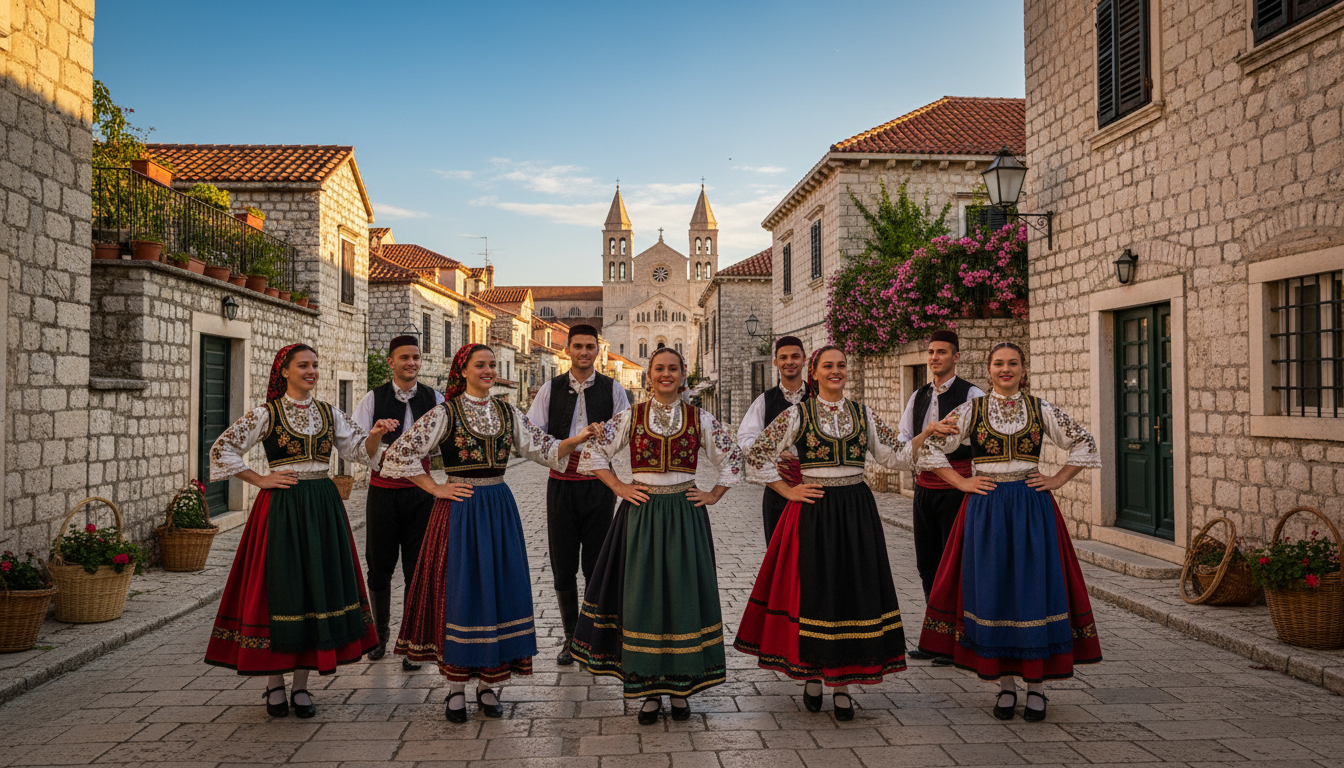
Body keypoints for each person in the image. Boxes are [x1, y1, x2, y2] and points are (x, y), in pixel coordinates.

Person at [734, 345, 953, 721]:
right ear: (814, 373)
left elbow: (895, 455)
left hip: (855, 511)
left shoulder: (861, 413)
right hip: (813, 511)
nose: (836, 372)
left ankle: (842, 686)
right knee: (817, 595)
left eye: (841, 366)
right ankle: (813, 675)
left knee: (850, 593)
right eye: (828, 366)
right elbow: (754, 455)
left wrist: (926, 434)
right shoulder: (797, 414)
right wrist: (788, 491)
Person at [382, 343, 596, 723]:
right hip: (460, 510)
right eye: (480, 365)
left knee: (497, 589)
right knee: (461, 590)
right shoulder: (444, 413)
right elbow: (400, 453)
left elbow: (541, 447)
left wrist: (575, 441)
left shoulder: (505, 411)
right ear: (462, 370)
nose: (488, 371)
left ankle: (488, 686)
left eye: (492, 365)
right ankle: (455, 689)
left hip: (498, 506)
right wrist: (435, 488)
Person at [205, 344, 399, 719]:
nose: (311, 371)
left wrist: (375, 432)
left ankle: (302, 688)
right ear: (285, 372)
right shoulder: (267, 413)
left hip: (323, 507)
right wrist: (260, 479)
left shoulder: (329, 412)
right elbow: (222, 449)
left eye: (314, 366)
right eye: (303, 366)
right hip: (282, 507)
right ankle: (274, 685)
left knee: (316, 590)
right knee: (283, 589)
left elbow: (361, 452)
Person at [916, 341, 1102, 723]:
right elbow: (930, 449)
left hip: (1032, 508)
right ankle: (1005, 685)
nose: (1005, 369)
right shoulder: (972, 408)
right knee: (994, 590)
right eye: (999, 364)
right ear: (989, 370)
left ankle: (1037, 686)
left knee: (1034, 589)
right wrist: (963, 483)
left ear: (1023, 369)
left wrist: (1056, 479)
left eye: (1012, 363)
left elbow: (1084, 442)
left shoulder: (1040, 409)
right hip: (985, 508)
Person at [571, 347, 743, 725]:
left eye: (673, 369)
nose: (666, 375)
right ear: (649, 374)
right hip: (642, 515)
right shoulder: (632, 415)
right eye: (659, 369)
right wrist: (620, 488)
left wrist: (713, 493)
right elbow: (594, 453)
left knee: (682, 596)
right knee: (643, 596)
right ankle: (648, 689)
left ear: (684, 374)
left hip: (684, 514)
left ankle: (681, 688)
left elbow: (733, 457)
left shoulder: (700, 418)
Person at [526, 324, 629, 666]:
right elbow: (531, 436)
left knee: (596, 563)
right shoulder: (550, 389)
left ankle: (592, 636)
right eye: (578, 346)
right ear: (567, 350)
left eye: (590, 347)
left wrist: (604, 437)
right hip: (561, 484)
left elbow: (624, 432)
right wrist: (563, 448)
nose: (584, 352)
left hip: (599, 486)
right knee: (563, 564)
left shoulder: (613, 389)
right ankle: (571, 637)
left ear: (598, 350)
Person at [351, 335, 444, 672]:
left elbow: (445, 440)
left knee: (417, 567)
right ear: (391, 362)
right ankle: (379, 634)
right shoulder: (372, 399)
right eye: (404, 357)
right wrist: (377, 434)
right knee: (379, 565)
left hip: (423, 494)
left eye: (416, 357)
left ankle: (411, 642)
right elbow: (359, 448)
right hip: (384, 492)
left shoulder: (436, 398)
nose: (411, 363)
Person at [900, 330, 985, 665]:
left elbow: (981, 441)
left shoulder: (972, 394)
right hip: (924, 489)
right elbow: (905, 439)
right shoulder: (918, 396)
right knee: (928, 564)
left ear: (956, 357)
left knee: (958, 565)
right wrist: (925, 436)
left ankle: (959, 639)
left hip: (958, 491)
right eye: (931, 352)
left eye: (942, 352)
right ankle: (935, 638)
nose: (934, 358)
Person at [736, 336, 808, 544]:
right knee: (779, 553)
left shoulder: (818, 397)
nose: (790, 361)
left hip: (815, 489)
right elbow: (746, 439)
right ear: (775, 362)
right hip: (777, 492)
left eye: (795, 356)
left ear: (804, 359)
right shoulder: (764, 401)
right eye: (783, 357)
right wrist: (774, 455)